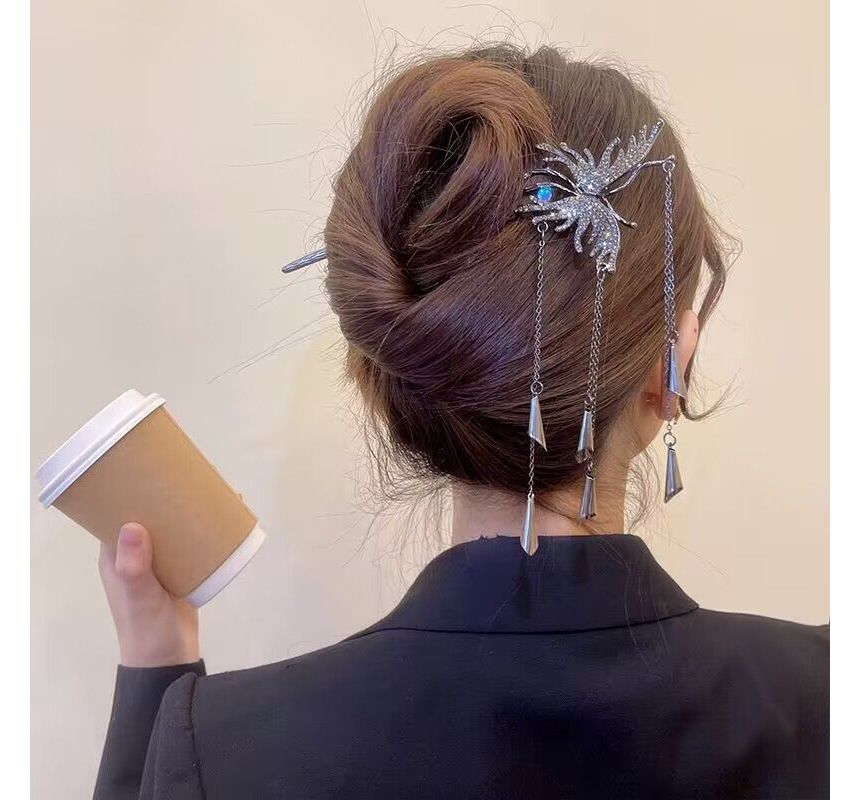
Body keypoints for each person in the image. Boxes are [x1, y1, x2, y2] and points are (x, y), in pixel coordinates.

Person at [94, 44, 829, 799]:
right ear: (671, 363)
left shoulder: (229, 749)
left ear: (400, 369)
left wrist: (157, 680)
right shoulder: (822, 706)